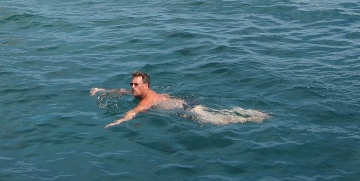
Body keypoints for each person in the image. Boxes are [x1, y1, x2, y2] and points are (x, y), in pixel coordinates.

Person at [90, 71, 270, 128]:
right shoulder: (135, 93)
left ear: (146, 86)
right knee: (216, 115)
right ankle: (249, 114)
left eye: (136, 85)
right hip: (185, 104)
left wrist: (117, 122)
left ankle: (252, 117)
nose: (132, 87)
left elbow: (133, 112)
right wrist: (101, 90)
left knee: (218, 121)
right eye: (131, 84)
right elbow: (120, 91)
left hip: (186, 108)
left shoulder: (147, 101)